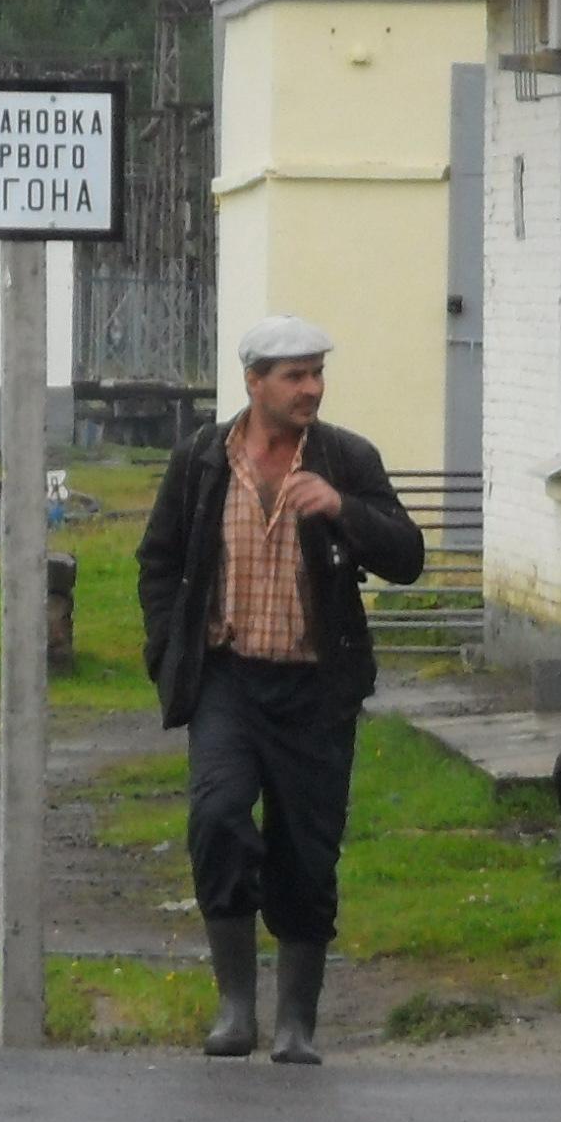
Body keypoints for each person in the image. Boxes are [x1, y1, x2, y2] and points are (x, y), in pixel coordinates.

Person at [135, 316, 426, 1064]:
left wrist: (344, 510)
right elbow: (159, 560)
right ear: (254, 381)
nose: (312, 388)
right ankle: (236, 1008)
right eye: (295, 375)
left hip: (315, 688)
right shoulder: (202, 459)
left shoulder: (344, 457)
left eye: (318, 372)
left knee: (308, 850)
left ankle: (296, 1021)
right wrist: (170, 651)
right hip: (228, 681)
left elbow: (408, 556)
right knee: (219, 818)